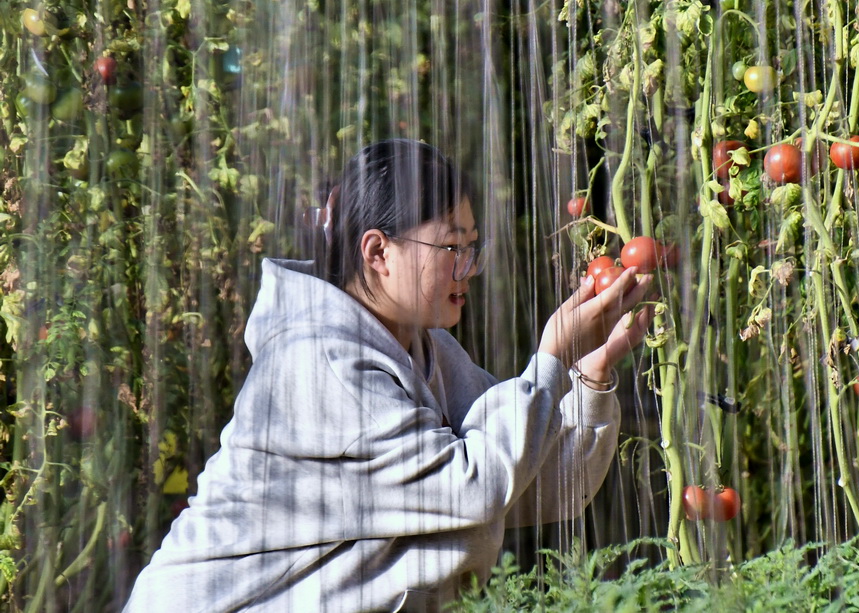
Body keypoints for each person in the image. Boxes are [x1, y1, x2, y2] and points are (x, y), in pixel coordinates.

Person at [123, 139, 653, 612]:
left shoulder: (424, 349)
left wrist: (589, 377)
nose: (467, 268)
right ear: (378, 251)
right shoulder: (317, 363)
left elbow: (539, 484)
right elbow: (473, 487)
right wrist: (552, 359)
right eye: (451, 249)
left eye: (473, 248)